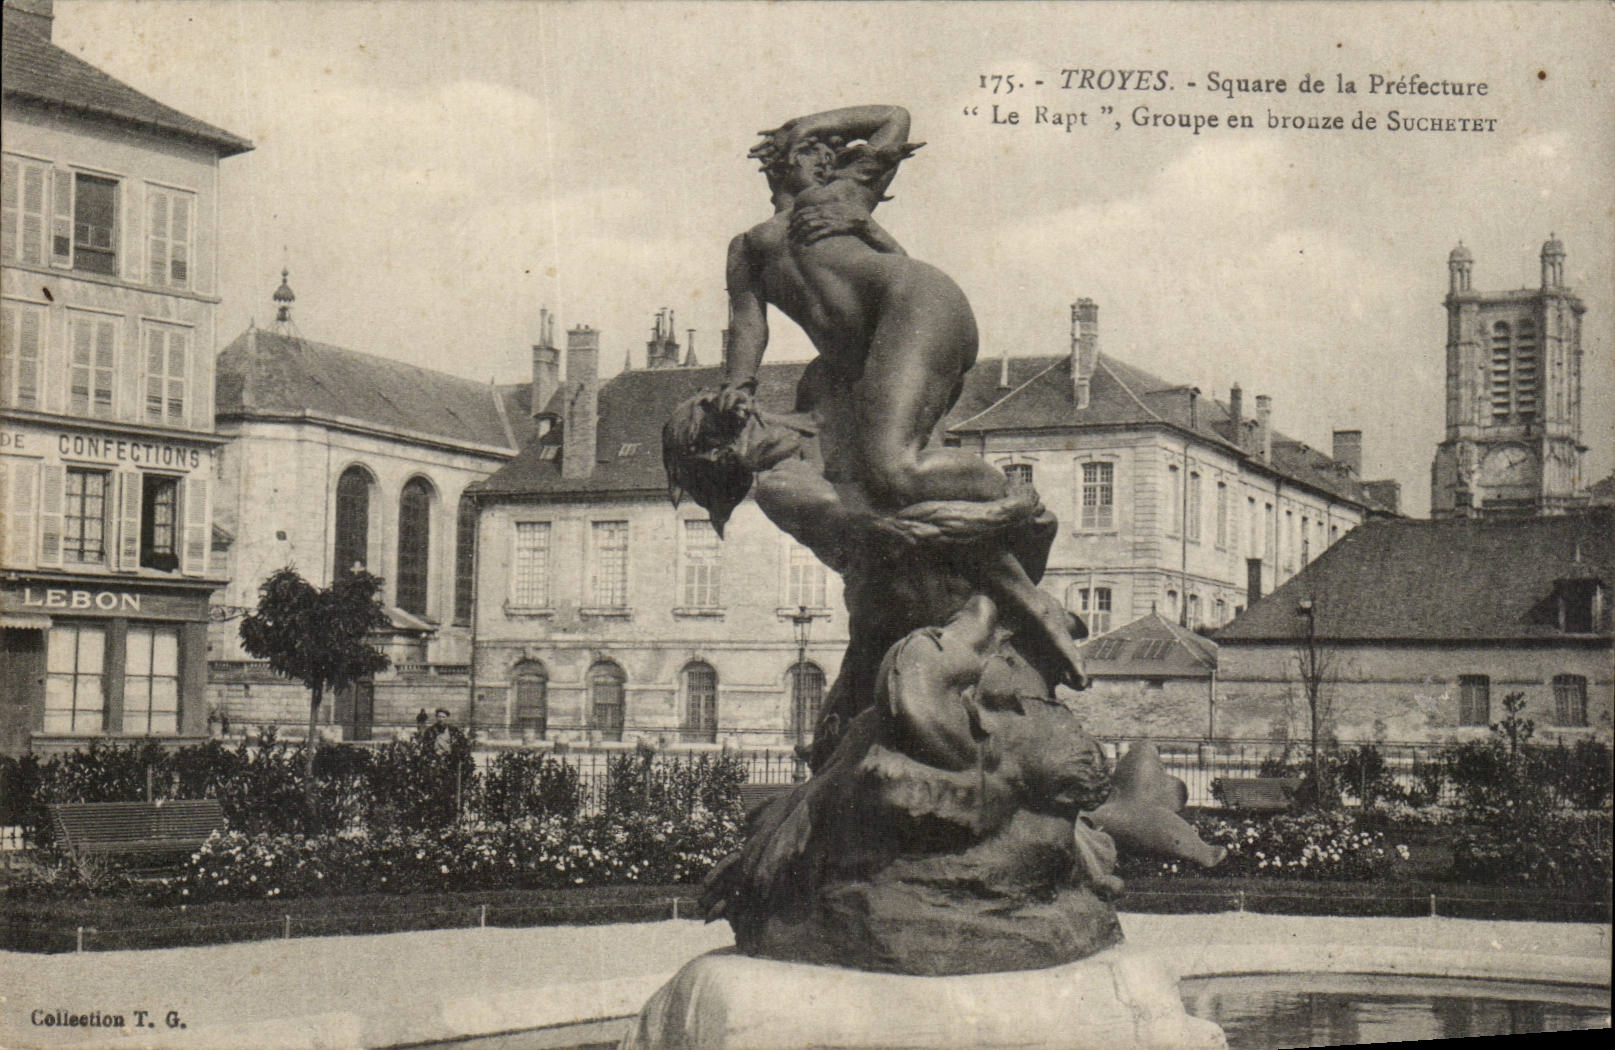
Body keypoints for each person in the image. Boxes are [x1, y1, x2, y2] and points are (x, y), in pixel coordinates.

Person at [715, 105, 1087, 692]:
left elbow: (894, 119)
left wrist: (807, 125)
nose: (806, 161)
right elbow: (747, 324)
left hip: (917, 306)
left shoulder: (842, 193)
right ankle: (1002, 590)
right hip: (869, 351)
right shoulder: (747, 247)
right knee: (877, 480)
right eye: (798, 156)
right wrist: (739, 385)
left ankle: (1014, 502)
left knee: (894, 469)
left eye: (818, 153)